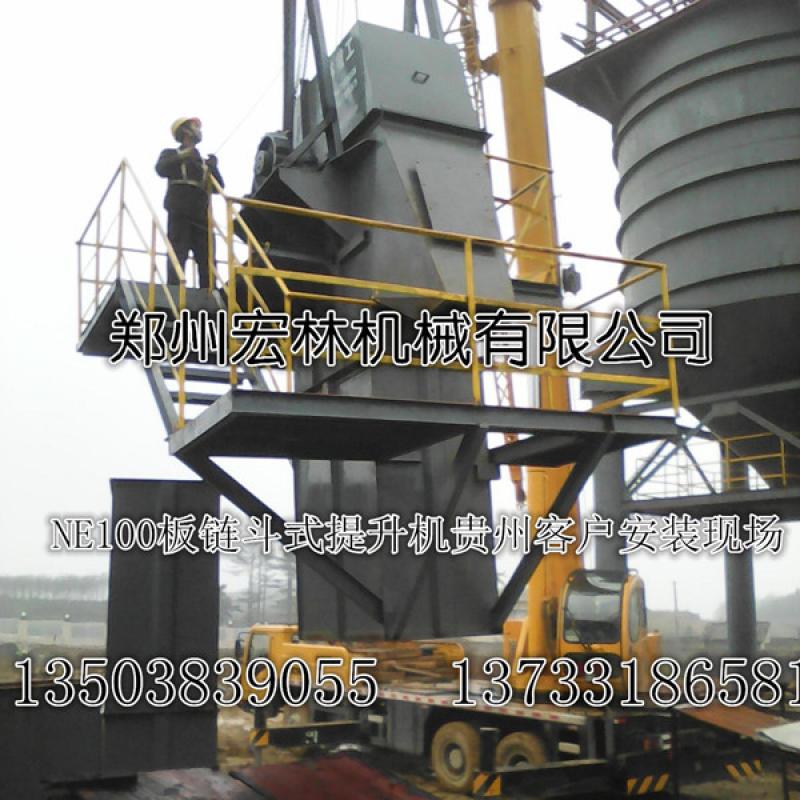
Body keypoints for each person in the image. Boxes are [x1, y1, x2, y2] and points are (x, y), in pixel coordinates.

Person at [155, 117, 224, 288]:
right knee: (178, 252)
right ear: (185, 130)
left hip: (201, 213)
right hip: (180, 210)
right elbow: (161, 168)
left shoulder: (202, 162)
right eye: (195, 127)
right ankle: (174, 290)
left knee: (207, 256)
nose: (199, 130)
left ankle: (209, 291)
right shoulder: (171, 154)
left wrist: (213, 167)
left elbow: (219, 187)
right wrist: (184, 155)